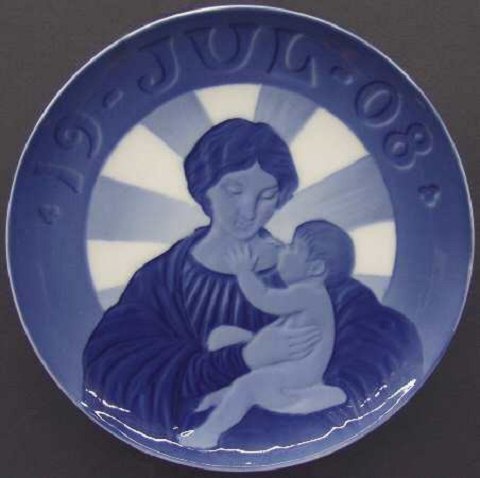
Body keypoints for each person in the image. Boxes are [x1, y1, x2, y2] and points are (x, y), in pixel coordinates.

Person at [82, 118, 423, 450]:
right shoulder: (160, 280)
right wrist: (242, 358)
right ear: (205, 188)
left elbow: (387, 345)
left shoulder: (308, 274)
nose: (249, 210)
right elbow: (114, 368)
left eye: (267, 195)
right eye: (234, 190)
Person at [180, 220, 352, 449]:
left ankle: (209, 433)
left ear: (315, 269)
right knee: (222, 336)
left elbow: (264, 299)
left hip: (297, 373)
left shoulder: (309, 293)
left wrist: (243, 272)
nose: (283, 249)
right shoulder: (310, 294)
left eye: (292, 247)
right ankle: (226, 396)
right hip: (284, 357)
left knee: (248, 384)